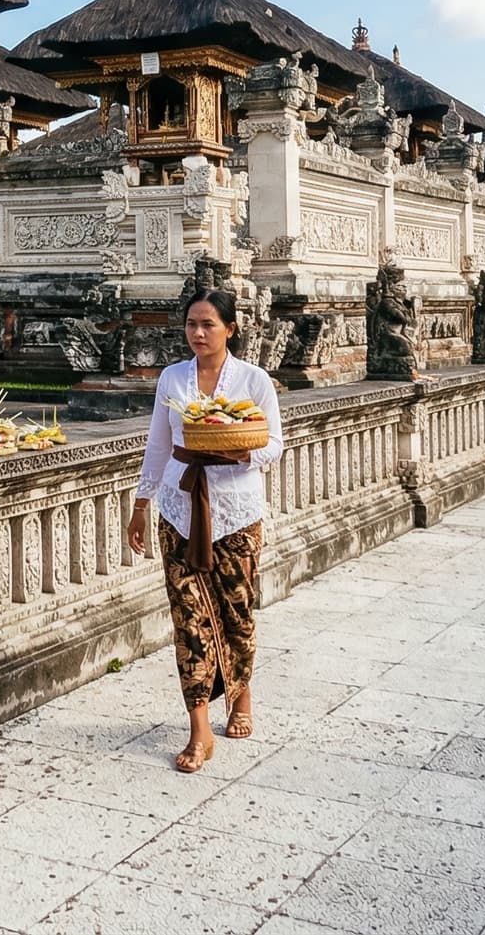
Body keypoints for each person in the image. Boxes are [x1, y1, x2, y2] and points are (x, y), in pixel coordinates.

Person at [128, 290, 285, 773]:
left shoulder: (254, 380)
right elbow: (158, 444)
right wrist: (141, 503)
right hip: (179, 509)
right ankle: (199, 730)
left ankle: (241, 694)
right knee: (188, 622)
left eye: (208, 324)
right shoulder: (172, 378)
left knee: (237, 614)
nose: (198, 333)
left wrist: (240, 451)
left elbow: (275, 444)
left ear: (230, 329)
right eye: (191, 324)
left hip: (236, 512)